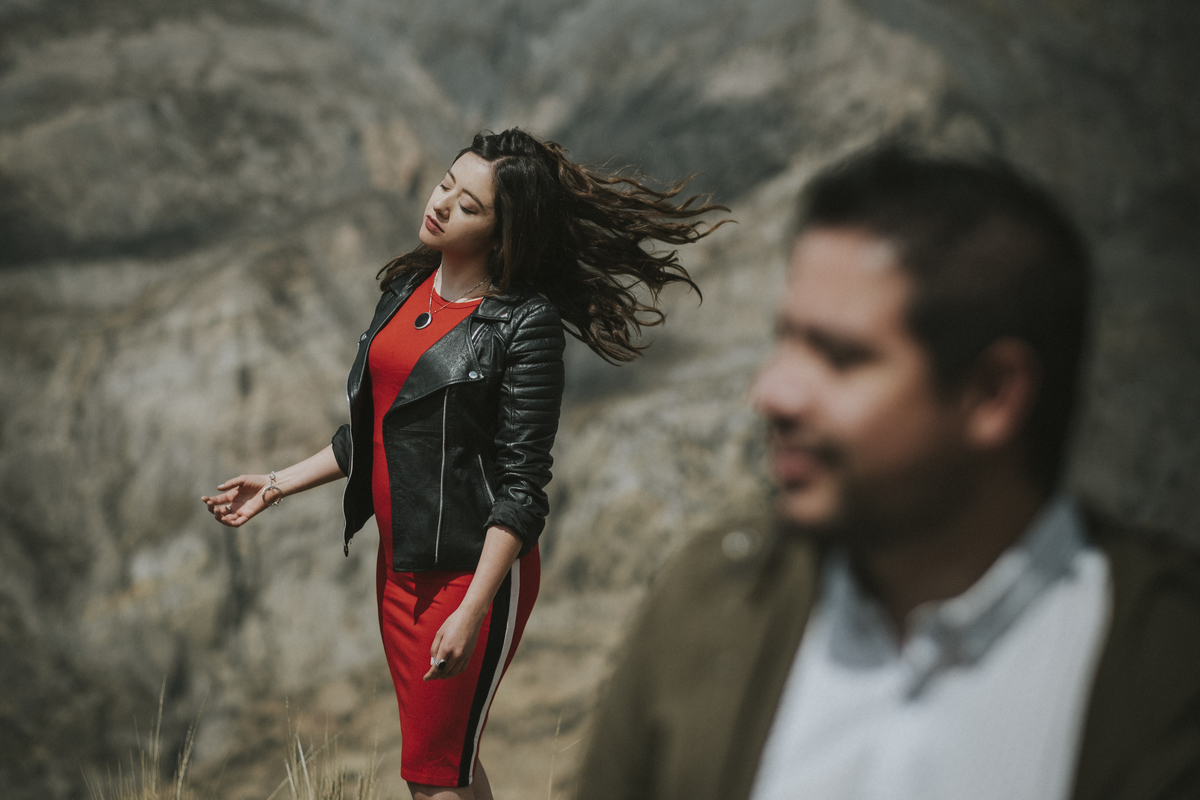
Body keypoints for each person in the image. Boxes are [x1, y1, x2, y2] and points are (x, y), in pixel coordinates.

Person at [578, 145, 1200, 800]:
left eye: (841, 357)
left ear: (993, 393)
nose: (774, 393)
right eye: (786, 340)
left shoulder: (1167, 673)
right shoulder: (710, 605)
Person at [200, 128, 726, 800]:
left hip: (470, 576)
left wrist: (473, 608)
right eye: (447, 183)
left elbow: (523, 486)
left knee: (431, 776)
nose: (443, 204)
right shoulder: (406, 287)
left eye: (470, 206)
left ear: (502, 234)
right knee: (446, 767)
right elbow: (380, 433)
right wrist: (275, 484)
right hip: (402, 567)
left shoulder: (521, 324)